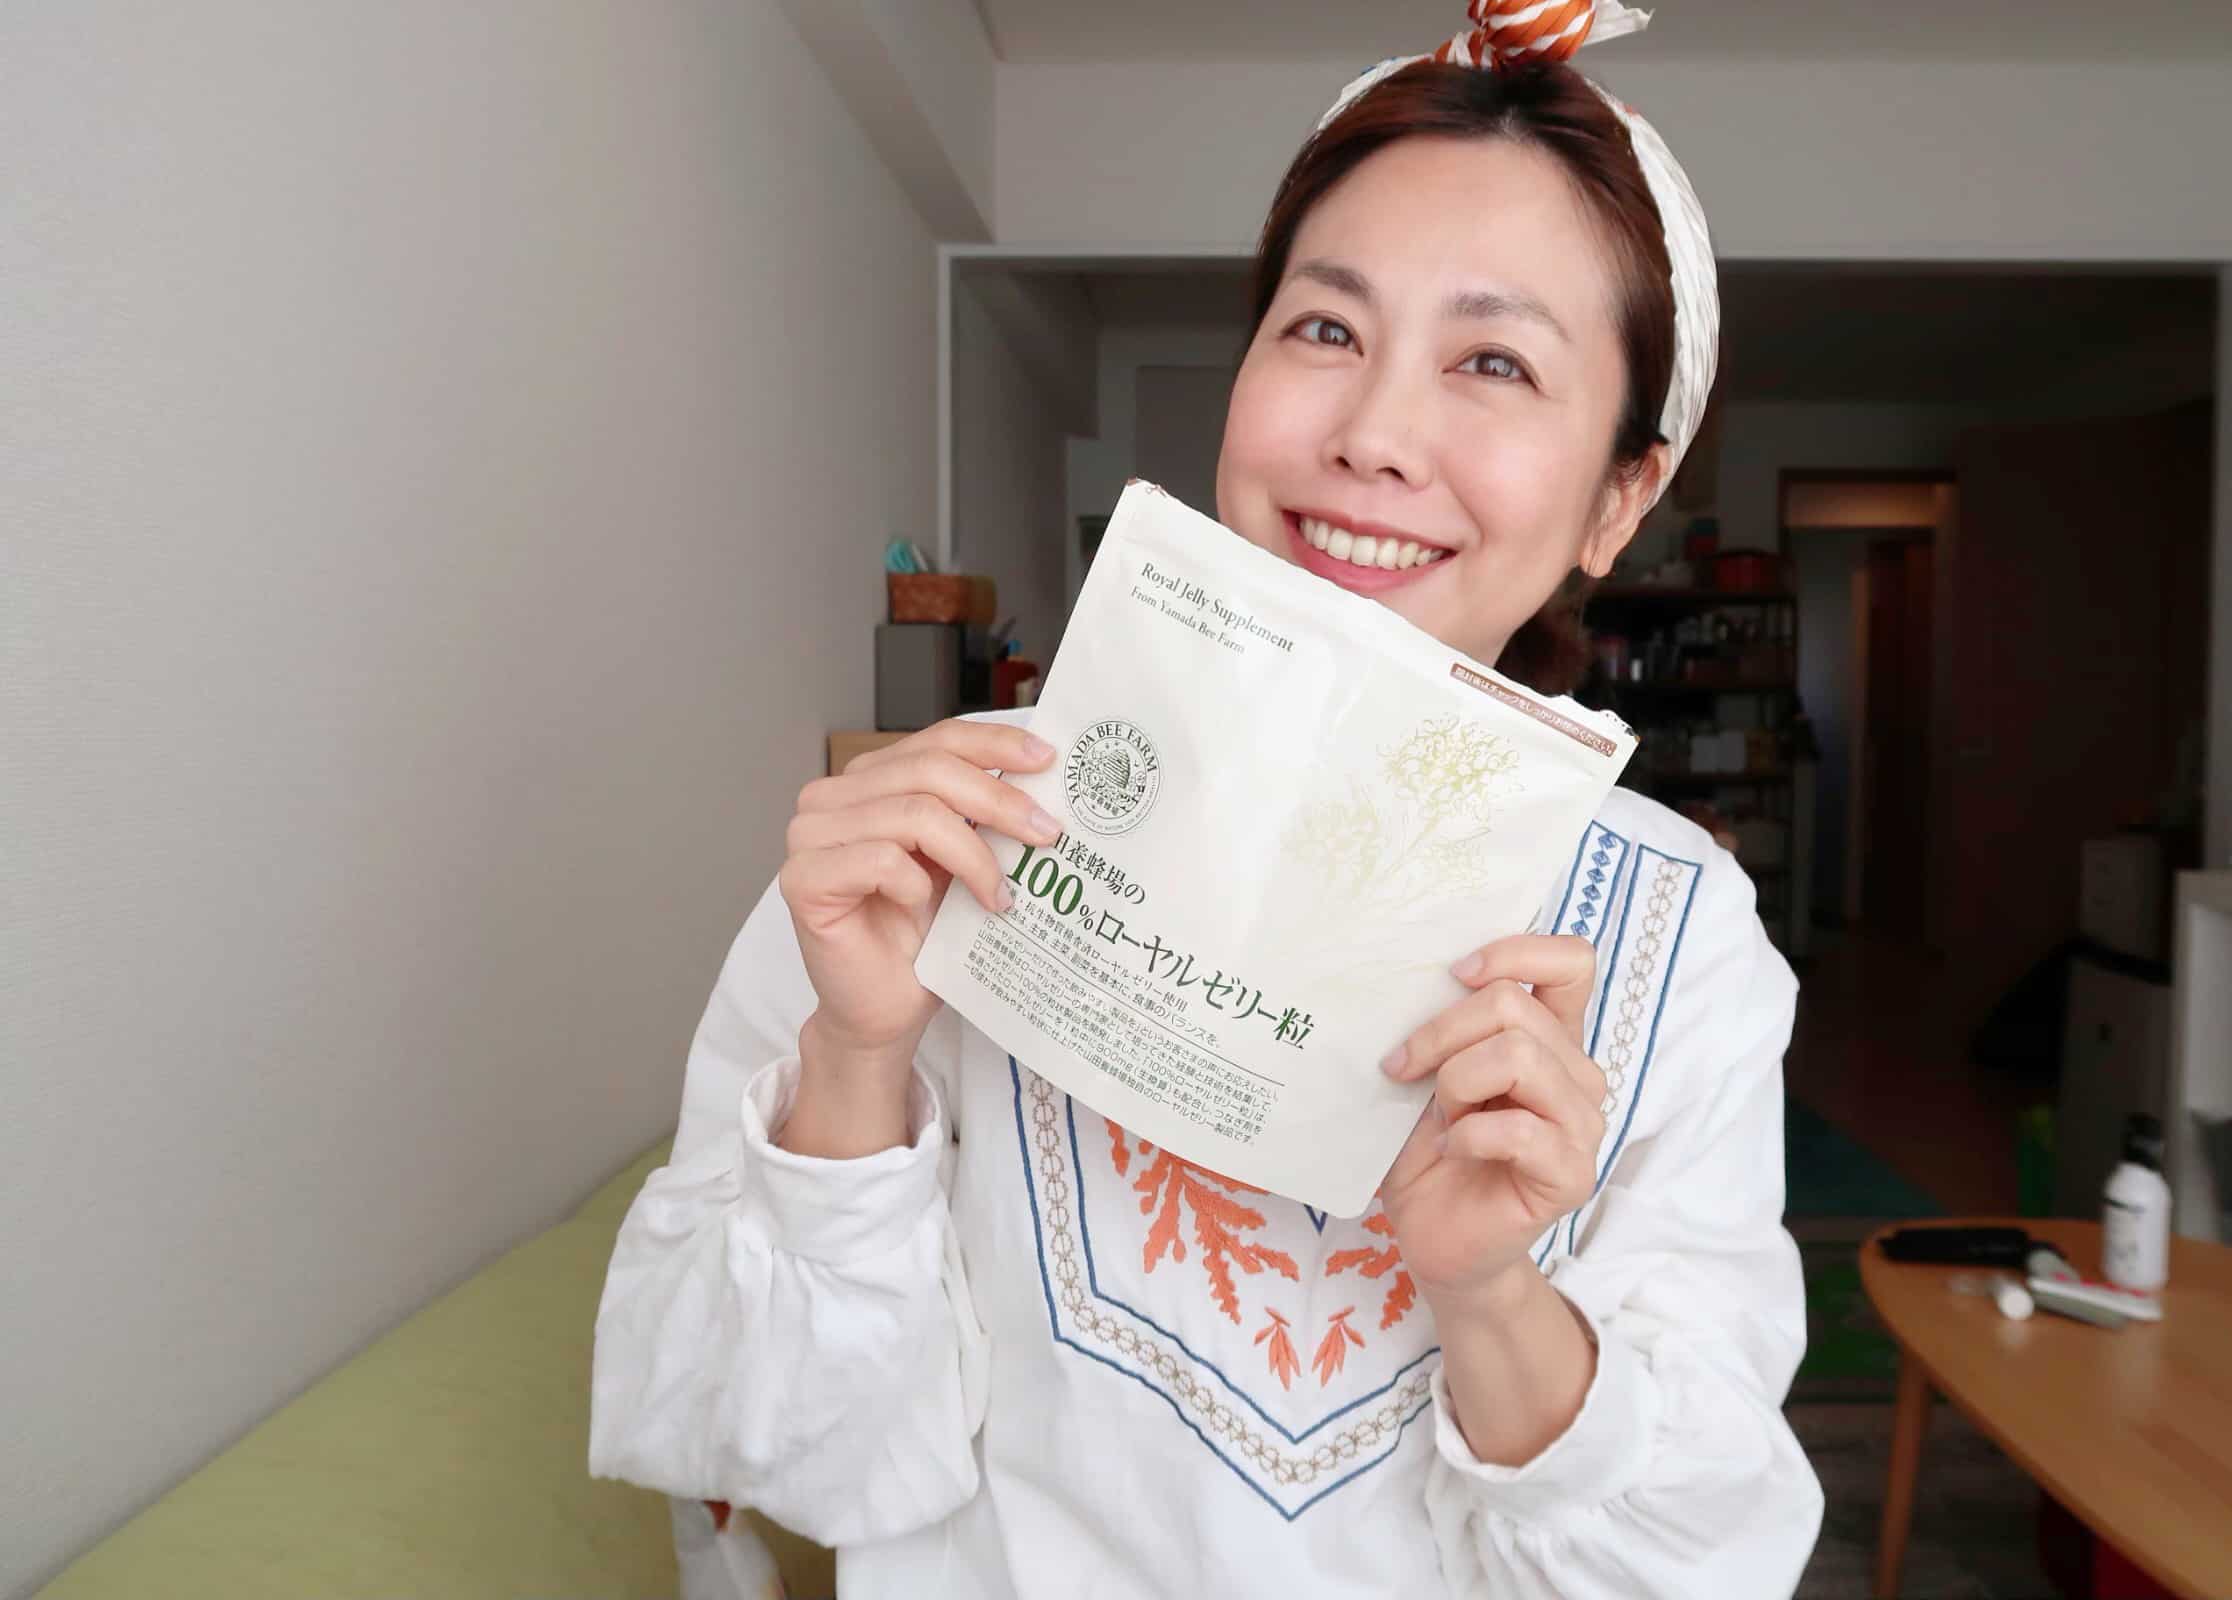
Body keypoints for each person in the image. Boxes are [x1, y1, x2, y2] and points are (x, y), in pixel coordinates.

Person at [590, 2, 1824, 1593]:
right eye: (1325, 329)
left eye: (1495, 361)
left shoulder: (1681, 940)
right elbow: (780, 1457)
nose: (1375, 436)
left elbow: (1689, 1571)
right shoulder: (947, 834)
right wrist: (857, 1058)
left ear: (1619, 495)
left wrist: (1487, 1293)